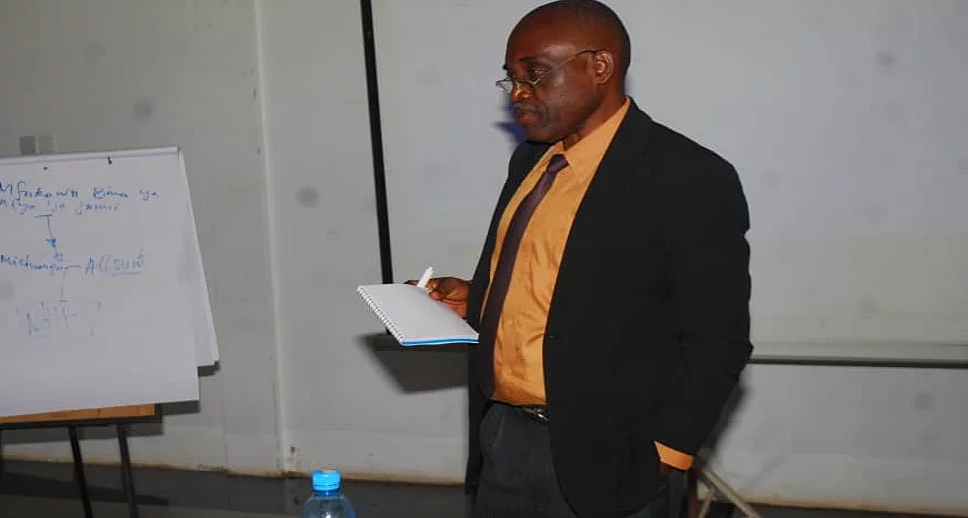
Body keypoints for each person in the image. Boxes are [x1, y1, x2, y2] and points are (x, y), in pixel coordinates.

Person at [413, 1, 753, 517]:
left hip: (616, 458)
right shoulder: (530, 160)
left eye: (534, 76)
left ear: (599, 68)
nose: (519, 95)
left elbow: (718, 340)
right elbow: (559, 283)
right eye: (512, 80)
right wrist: (477, 297)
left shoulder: (687, 176)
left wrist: (667, 456)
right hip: (505, 438)